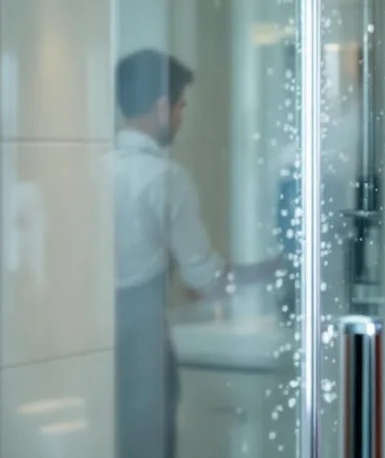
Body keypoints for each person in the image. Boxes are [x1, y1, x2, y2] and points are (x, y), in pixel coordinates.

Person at [111, 49, 278, 458]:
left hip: (93, 342)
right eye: (182, 105)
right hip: (143, 348)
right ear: (163, 107)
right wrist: (278, 268)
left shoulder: (94, 167)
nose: (182, 116)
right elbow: (208, 280)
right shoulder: (167, 178)